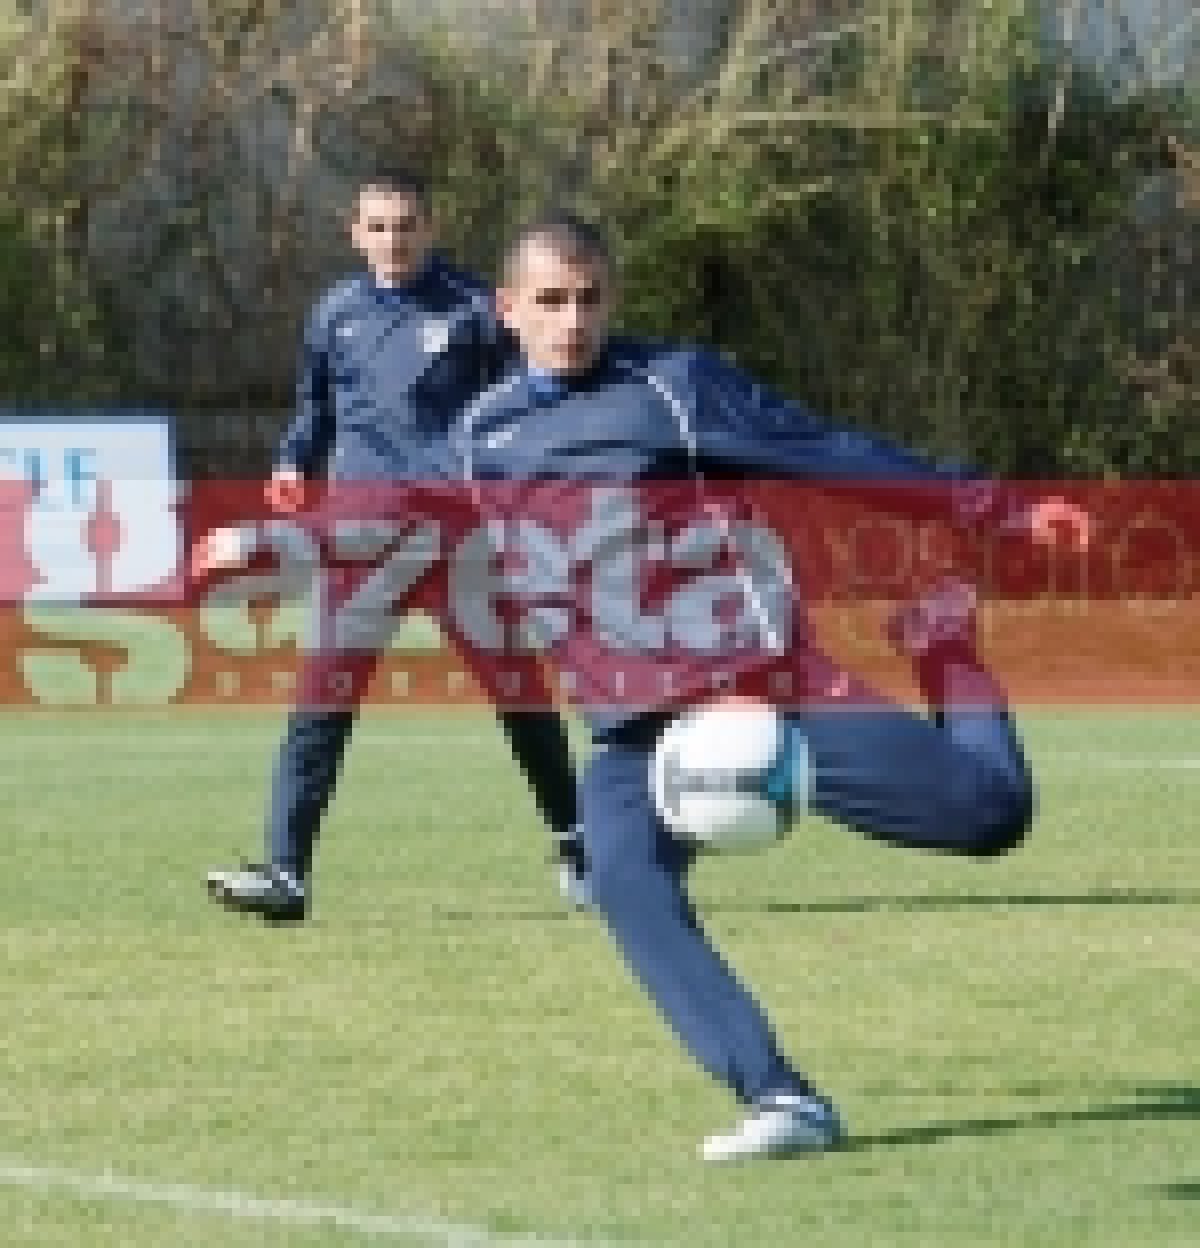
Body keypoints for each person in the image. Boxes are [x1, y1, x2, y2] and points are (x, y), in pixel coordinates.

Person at [425, 215, 1090, 1160]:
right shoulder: (477, 437)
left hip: (767, 694)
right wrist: (269, 544)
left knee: (990, 817)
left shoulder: (676, 388)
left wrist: (997, 507)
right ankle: (780, 1097)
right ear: (508, 310)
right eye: (550, 302)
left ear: (612, 300)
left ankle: (942, 643)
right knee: (621, 877)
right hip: (637, 734)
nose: (572, 320)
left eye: (590, 299)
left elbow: (828, 450)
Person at [197, 171, 587, 922]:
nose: (393, 239)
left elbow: (524, 399)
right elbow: (315, 406)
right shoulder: (335, 314)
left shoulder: (476, 309)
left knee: (519, 695)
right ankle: (287, 874)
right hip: (358, 541)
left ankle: (578, 846)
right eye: (377, 226)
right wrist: (291, 460)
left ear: (430, 227)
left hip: (456, 538)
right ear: (355, 233)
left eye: (406, 223)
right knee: (323, 701)